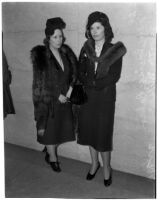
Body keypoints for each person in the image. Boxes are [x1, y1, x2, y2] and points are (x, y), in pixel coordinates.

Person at [77, 11, 126, 186]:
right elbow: (79, 71)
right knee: (90, 132)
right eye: (91, 28)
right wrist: (86, 81)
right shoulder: (86, 48)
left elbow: (114, 76)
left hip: (105, 99)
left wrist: (92, 83)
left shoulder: (115, 50)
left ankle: (106, 168)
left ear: (105, 28)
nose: (95, 31)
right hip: (88, 98)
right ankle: (94, 164)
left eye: (98, 27)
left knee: (103, 134)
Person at [31, 17, 77, 172]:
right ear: (48, 38)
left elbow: (73, 75)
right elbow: (40, 82)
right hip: (50, 101)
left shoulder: (66, 53)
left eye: (61, 36)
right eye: (55, 37)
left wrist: (70, 89)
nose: (59, 40)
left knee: (61, 131)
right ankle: (52, 158)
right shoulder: (42, 56)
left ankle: (49, 149)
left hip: (66, 100)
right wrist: (57, 95)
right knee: (50, 131)